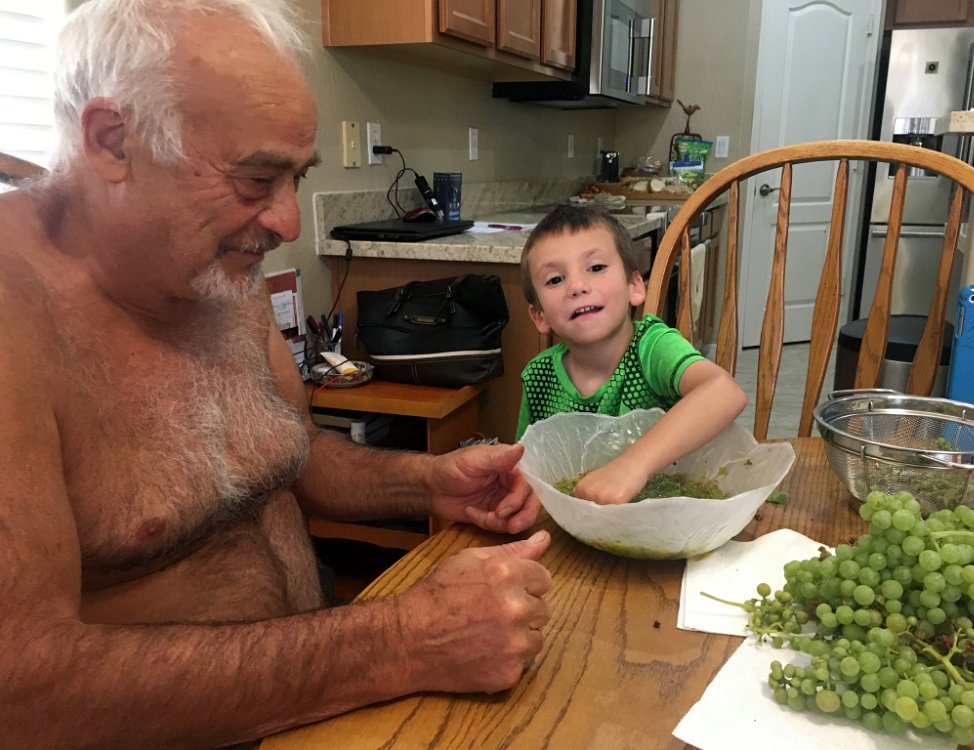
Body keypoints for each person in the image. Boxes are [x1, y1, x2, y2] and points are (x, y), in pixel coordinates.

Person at [0, 1, 553, 748]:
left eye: (296, 177)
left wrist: (426, 483)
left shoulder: (213, 266)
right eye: (257, 179)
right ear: (112, 140)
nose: (288, 223)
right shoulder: (16, 316)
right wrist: (399, 641)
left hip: (318, 697)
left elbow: (285, 454)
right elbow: (20, 691)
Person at [516, 205, 748, 505]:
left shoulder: (652, 348)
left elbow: (725, 392)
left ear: (634, 286)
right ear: (539, 316)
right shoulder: (539, 377)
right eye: (555, 280)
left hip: (670, 511)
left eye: (596, 268)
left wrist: (631, 466)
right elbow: (528, 469)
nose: (577, 286)